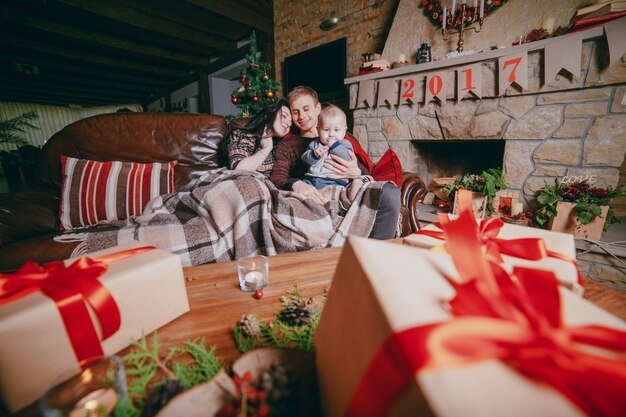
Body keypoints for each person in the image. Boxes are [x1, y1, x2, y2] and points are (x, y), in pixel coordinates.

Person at [271, 86, 401, 240]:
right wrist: (295, 184)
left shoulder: (343, 139)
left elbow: (365, 174)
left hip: (345, 187)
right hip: (313, 192)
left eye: (306, 109)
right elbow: (277, 179)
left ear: (317, 108)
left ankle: (375, 254)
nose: (301, 116)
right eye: (295, 111)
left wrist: (357, 173)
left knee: (389, 193)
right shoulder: (287, 145)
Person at [222, 98, 292, 177]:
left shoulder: (280, 148)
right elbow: (239, 171)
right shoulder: (240, 135)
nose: (288, 124)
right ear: (271, 113)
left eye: (290, 123)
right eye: (284, 116)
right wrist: (267, 148)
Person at [301, 104, 353, 189]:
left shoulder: (345, 144)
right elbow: (305, 161)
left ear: (344, 131)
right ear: (318, 130)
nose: (331, 134)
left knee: (334, 195)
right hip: (311, 179)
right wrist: (314, 154)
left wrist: (335, 146)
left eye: (336, 130)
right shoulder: (315, 144)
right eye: (326, 130)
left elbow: (348, 158)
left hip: (334, 181)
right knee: (299, 191)